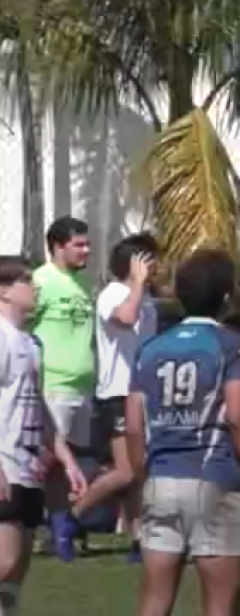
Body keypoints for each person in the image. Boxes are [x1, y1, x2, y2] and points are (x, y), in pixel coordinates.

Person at [126, 250, 240, 616]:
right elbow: (238, 415)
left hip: (161, 479)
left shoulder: (150, 348)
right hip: (212, 476)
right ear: (227, 297)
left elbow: (133, 425)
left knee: (154, 600)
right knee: (220, 604)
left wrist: (143, 478)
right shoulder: (232, 344)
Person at [0, 258, 88, 613]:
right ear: (3, 290)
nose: (34, 287)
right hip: (5, 464)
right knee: (4, 562)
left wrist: (68, 462)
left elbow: (38, 406)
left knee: (17, 568)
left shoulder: (32, 344)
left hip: (28, 466)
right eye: (26, 281)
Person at [72, 233, 159, 564]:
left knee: (139, 471)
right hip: (118, 393)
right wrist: (137, 283)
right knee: (126, 471)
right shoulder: (115, 294)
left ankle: (138, 538)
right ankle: (73, 515)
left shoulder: (144, 296)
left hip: (141, 393)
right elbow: (124, 319)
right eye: (150, 260)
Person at [29, 216, 95, 562]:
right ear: (57, 246)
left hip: (80, 387)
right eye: (79, 244)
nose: (86, 250)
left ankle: (60, 533)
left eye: (87, 244)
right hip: (53, 385)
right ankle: (30, 525)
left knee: (60, 465)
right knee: (46, 459)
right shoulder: (42, 280)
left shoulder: (79, 285)